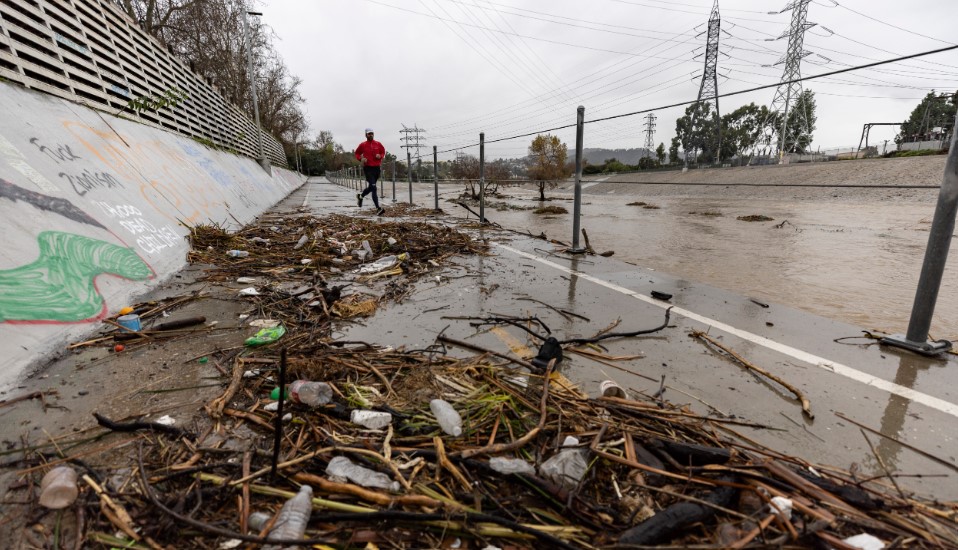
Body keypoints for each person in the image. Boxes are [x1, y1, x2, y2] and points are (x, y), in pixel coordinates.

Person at [355, 128, 386, 216]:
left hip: (376, 169)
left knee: (371, 187)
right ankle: (378, 208)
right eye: (369, 134)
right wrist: (361, 158)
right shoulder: (363, 145)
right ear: (366, 135)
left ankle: (360, 197)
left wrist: (380, 156)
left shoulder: (378, 144)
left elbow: (383, 152)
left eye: (372, 133)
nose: (371, 135)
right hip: (368, 168)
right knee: (374, 187)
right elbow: (357, 153)